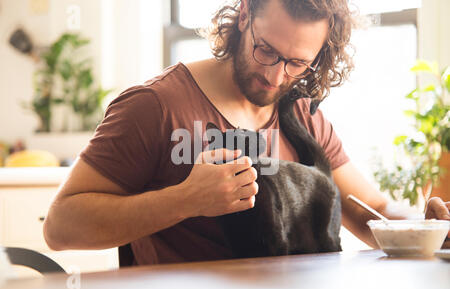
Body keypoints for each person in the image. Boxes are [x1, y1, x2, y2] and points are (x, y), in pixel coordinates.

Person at [43, 0, 450, 265]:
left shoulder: (302, 113)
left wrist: (426, 226)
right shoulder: (155, 105)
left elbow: (367, 210)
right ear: (244, 16)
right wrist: (184, 200)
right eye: (266, 50)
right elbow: (60, 226)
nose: (276, 76)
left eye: (296, 63)